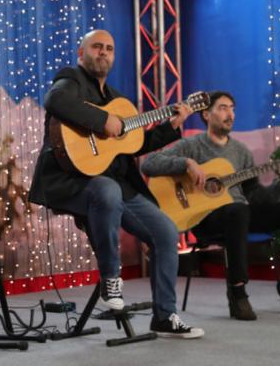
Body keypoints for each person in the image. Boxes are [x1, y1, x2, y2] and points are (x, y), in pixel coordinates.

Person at [28, 30, 203, 339]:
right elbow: (55, 100)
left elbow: (134, 143)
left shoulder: (119, 101)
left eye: (109, 48)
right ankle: (111, 277)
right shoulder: (71, 79)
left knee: (165, 231)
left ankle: (165, 315)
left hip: (116, 184)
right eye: (97, 47)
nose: (103, 52)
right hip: (71, 181)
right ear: (82, 53)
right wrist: (101, 122)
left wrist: (172, 126)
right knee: (106, 189)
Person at [140, 91, 280, 320]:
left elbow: (256, 196)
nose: (230, 114)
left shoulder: (241, 152)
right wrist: (187, 164)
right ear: (206, 115)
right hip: (205, 218)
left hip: (240, 216)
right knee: (238, 210)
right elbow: (149, 164)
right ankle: (238, 292)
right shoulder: (192, 145)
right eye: (222, 108)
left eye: (232, 108)